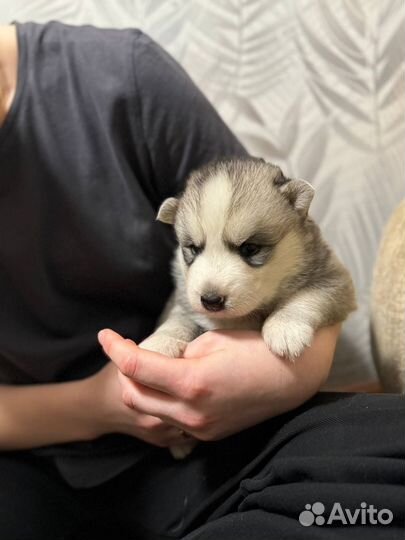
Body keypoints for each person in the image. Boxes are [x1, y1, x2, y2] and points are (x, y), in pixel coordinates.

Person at [0, 21, 403, 540]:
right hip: (31, 457)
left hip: (221, 439)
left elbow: (306, 259)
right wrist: (103, 407)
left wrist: (283, 378)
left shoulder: (120, 75)